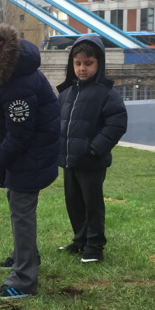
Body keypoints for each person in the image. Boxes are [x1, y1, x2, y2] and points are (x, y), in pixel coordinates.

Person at [0, 21, 60, 300]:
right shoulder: (5, 69)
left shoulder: (18, 81)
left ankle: (24, 280)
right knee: (17, 205)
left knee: (21, 210)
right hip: (25, 150)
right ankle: (25, 254)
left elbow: (19, 137)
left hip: (33, 153)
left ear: (2, 47)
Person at [57, 35, 127, 263]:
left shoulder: (107, 93)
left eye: (88, 63)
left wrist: (95, 149)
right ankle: (80, 241)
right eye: (78, 64)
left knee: (92, 205)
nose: (82, 69)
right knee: (73, 203)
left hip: (92, 161)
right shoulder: (67, 93)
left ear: (99, 64)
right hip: (69, 161)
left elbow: (117, 124)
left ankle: (95, 247)